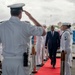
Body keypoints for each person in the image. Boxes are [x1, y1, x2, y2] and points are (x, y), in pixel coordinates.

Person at [0, 3, 46, 75]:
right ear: (20, 13)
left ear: (11, 12)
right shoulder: (26, 26)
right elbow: (43, 32)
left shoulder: (2, 26)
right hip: (20, 62)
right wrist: (31, 18)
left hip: (6, 62)